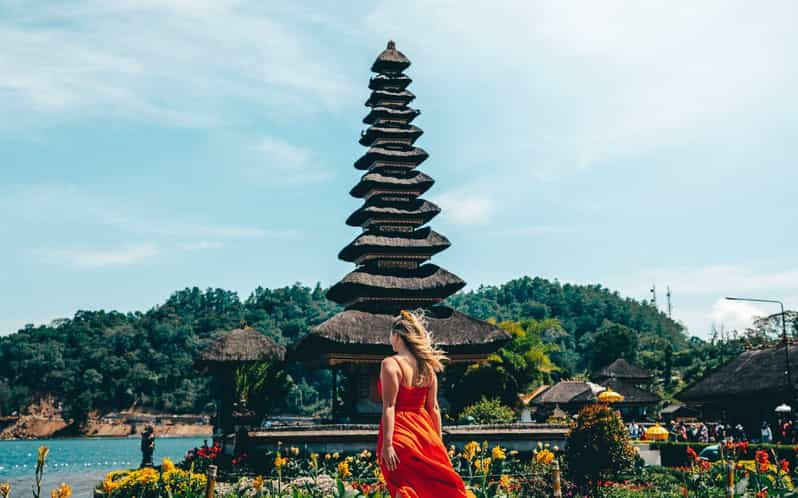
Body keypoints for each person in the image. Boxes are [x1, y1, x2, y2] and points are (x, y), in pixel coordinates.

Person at [377, 310, 467, 498]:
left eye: (390, 335)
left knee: (403, 487)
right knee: (432, 490)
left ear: (397, 336)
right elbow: (433, 408)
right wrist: (438, 442)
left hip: (400, 434)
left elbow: (389, 406)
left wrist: (387, 445)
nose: (389, 340)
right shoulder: (428, 368)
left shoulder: (390, 364)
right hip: (426, 435)